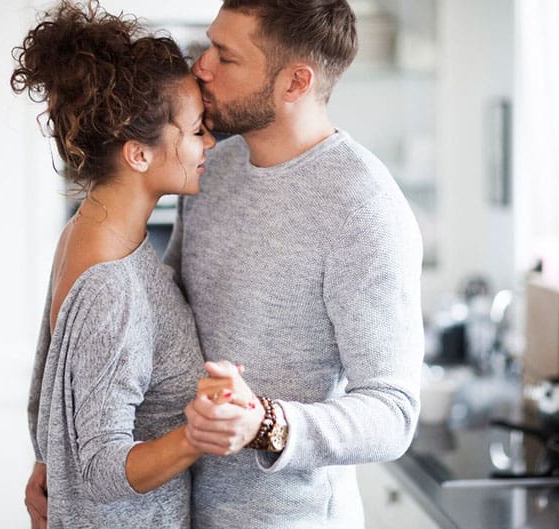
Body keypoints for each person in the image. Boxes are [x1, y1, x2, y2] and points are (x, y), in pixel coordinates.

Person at [168, 1, 425, 527]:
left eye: (226, 56)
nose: (202, 67)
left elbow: (393, 412)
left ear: (294, 82)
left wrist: (265, 423)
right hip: (179, 505)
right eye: (209, 45)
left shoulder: (363, 208)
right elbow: (168, 302)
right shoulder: (212, 163)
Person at [11, 2, 221, 528]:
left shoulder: (87, 232)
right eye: (196, 130)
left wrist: (46, 461)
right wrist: (200, 433)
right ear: (138, 154)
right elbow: (103, 470)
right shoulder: (111, 284)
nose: (209, 143)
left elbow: (48, 394)